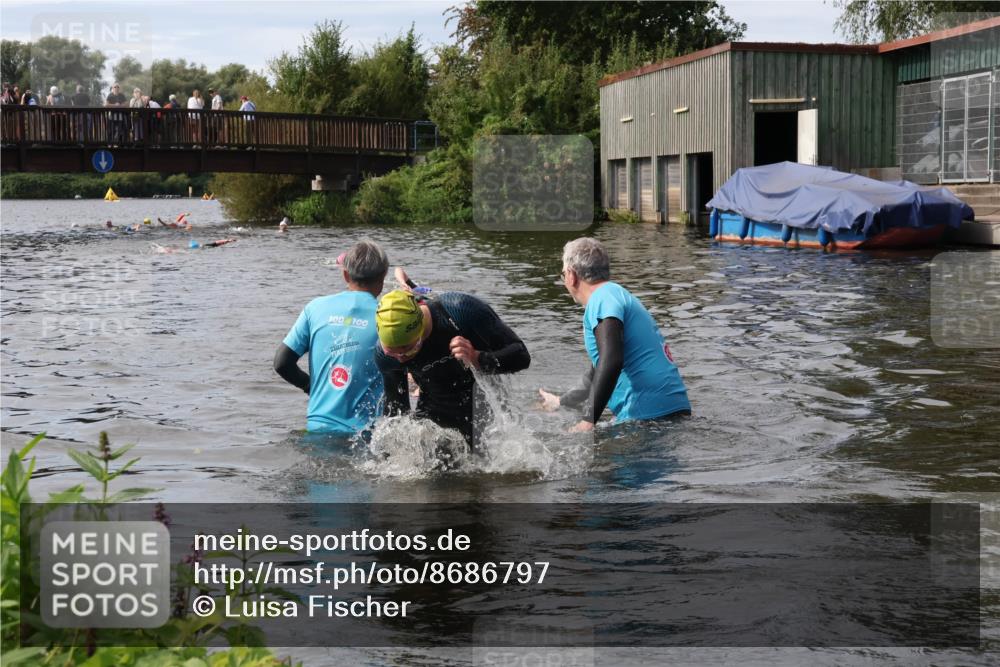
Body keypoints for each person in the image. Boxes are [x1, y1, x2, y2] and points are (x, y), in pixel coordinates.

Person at [541, 237, 690, 432]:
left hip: (647, 415)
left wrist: (588, 421)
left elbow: (611, 360)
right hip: (670, 409)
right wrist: (562, 401)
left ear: (571, 275)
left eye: (563, 274)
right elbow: (598, 370)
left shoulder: (602, 299)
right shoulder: (615, 294)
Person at [374, 284, 530, 448]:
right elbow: (396, 414)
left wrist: (478, 358)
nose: (401, 360)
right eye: (391, 352)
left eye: (408, 350)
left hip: (484, 415)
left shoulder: (461, 312)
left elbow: (521, 356)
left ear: (421, 329)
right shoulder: (384, 356)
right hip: (434, 419)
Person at [274, 240, 389, 435]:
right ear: (383, 278)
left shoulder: (315, 307)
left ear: (345, 275)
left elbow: (282, 363)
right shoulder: (387, 317)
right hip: (365, 435)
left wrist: (310, 386)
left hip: (317, 429)